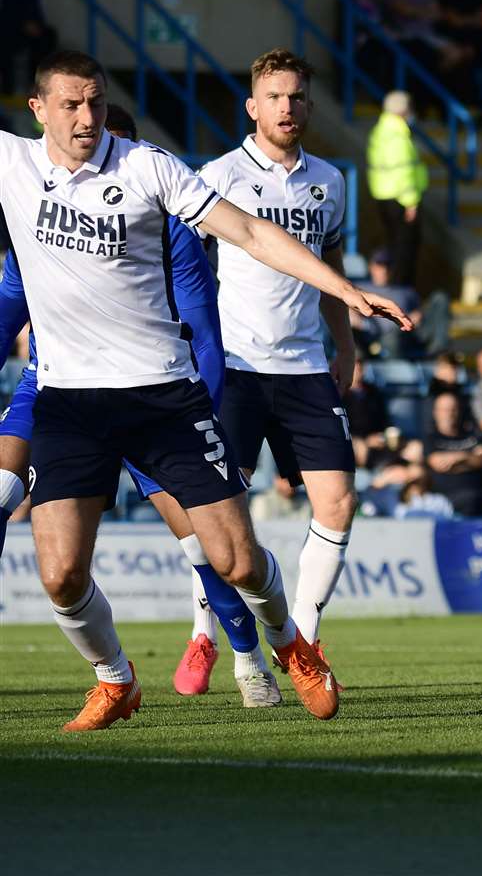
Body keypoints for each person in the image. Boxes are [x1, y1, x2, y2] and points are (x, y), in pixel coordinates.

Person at [0, 50, 410, 729]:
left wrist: (345, 289)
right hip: (69, 403)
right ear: (38, 109)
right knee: (60, 577)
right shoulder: (12, 165)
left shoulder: (146, 166)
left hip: (164, 396)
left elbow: (249, 232)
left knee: (237, 560)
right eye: (70, 105)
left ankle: (291, 646)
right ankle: (116, 680)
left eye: (96, 103)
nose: (86, 118)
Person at [0, 110, 281, 709]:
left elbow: (205, 334)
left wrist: (199, 415)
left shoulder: (168, 222)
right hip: (57, 388)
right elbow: (7, 309)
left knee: (208, 549)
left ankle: (247, 655)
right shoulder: (41, 211)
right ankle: (114, 675)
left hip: (154, 392)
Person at [196, 49, 364, 666]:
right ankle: (213, 639)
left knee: (339, 502)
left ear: (309, 106)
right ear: (252, 106)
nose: (286, 107)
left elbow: (332, 270)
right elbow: (181, 266)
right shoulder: (218, 176)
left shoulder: (331, 181)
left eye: (295, 97)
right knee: (220, 513)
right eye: (274, 97)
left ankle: (305, 640)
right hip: (235, 368)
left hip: (305, 368)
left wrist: (344, 342)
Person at [366, 90, 427, 287]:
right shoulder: (397, 135)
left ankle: (393, 288)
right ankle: (401, 291)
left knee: (394, 245)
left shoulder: (381, 130)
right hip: (400, 198)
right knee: (405, 249)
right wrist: (411, 202)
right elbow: (403, 172)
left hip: (384, 195)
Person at [0, 0, 58, 94]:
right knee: (5, 42)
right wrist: (22, 25)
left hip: (30, 31)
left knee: (47, 36)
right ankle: (8, 89)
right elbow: (6, 11)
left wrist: (37, 26)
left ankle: (35, 85)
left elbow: (37, 10)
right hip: (9, 29)